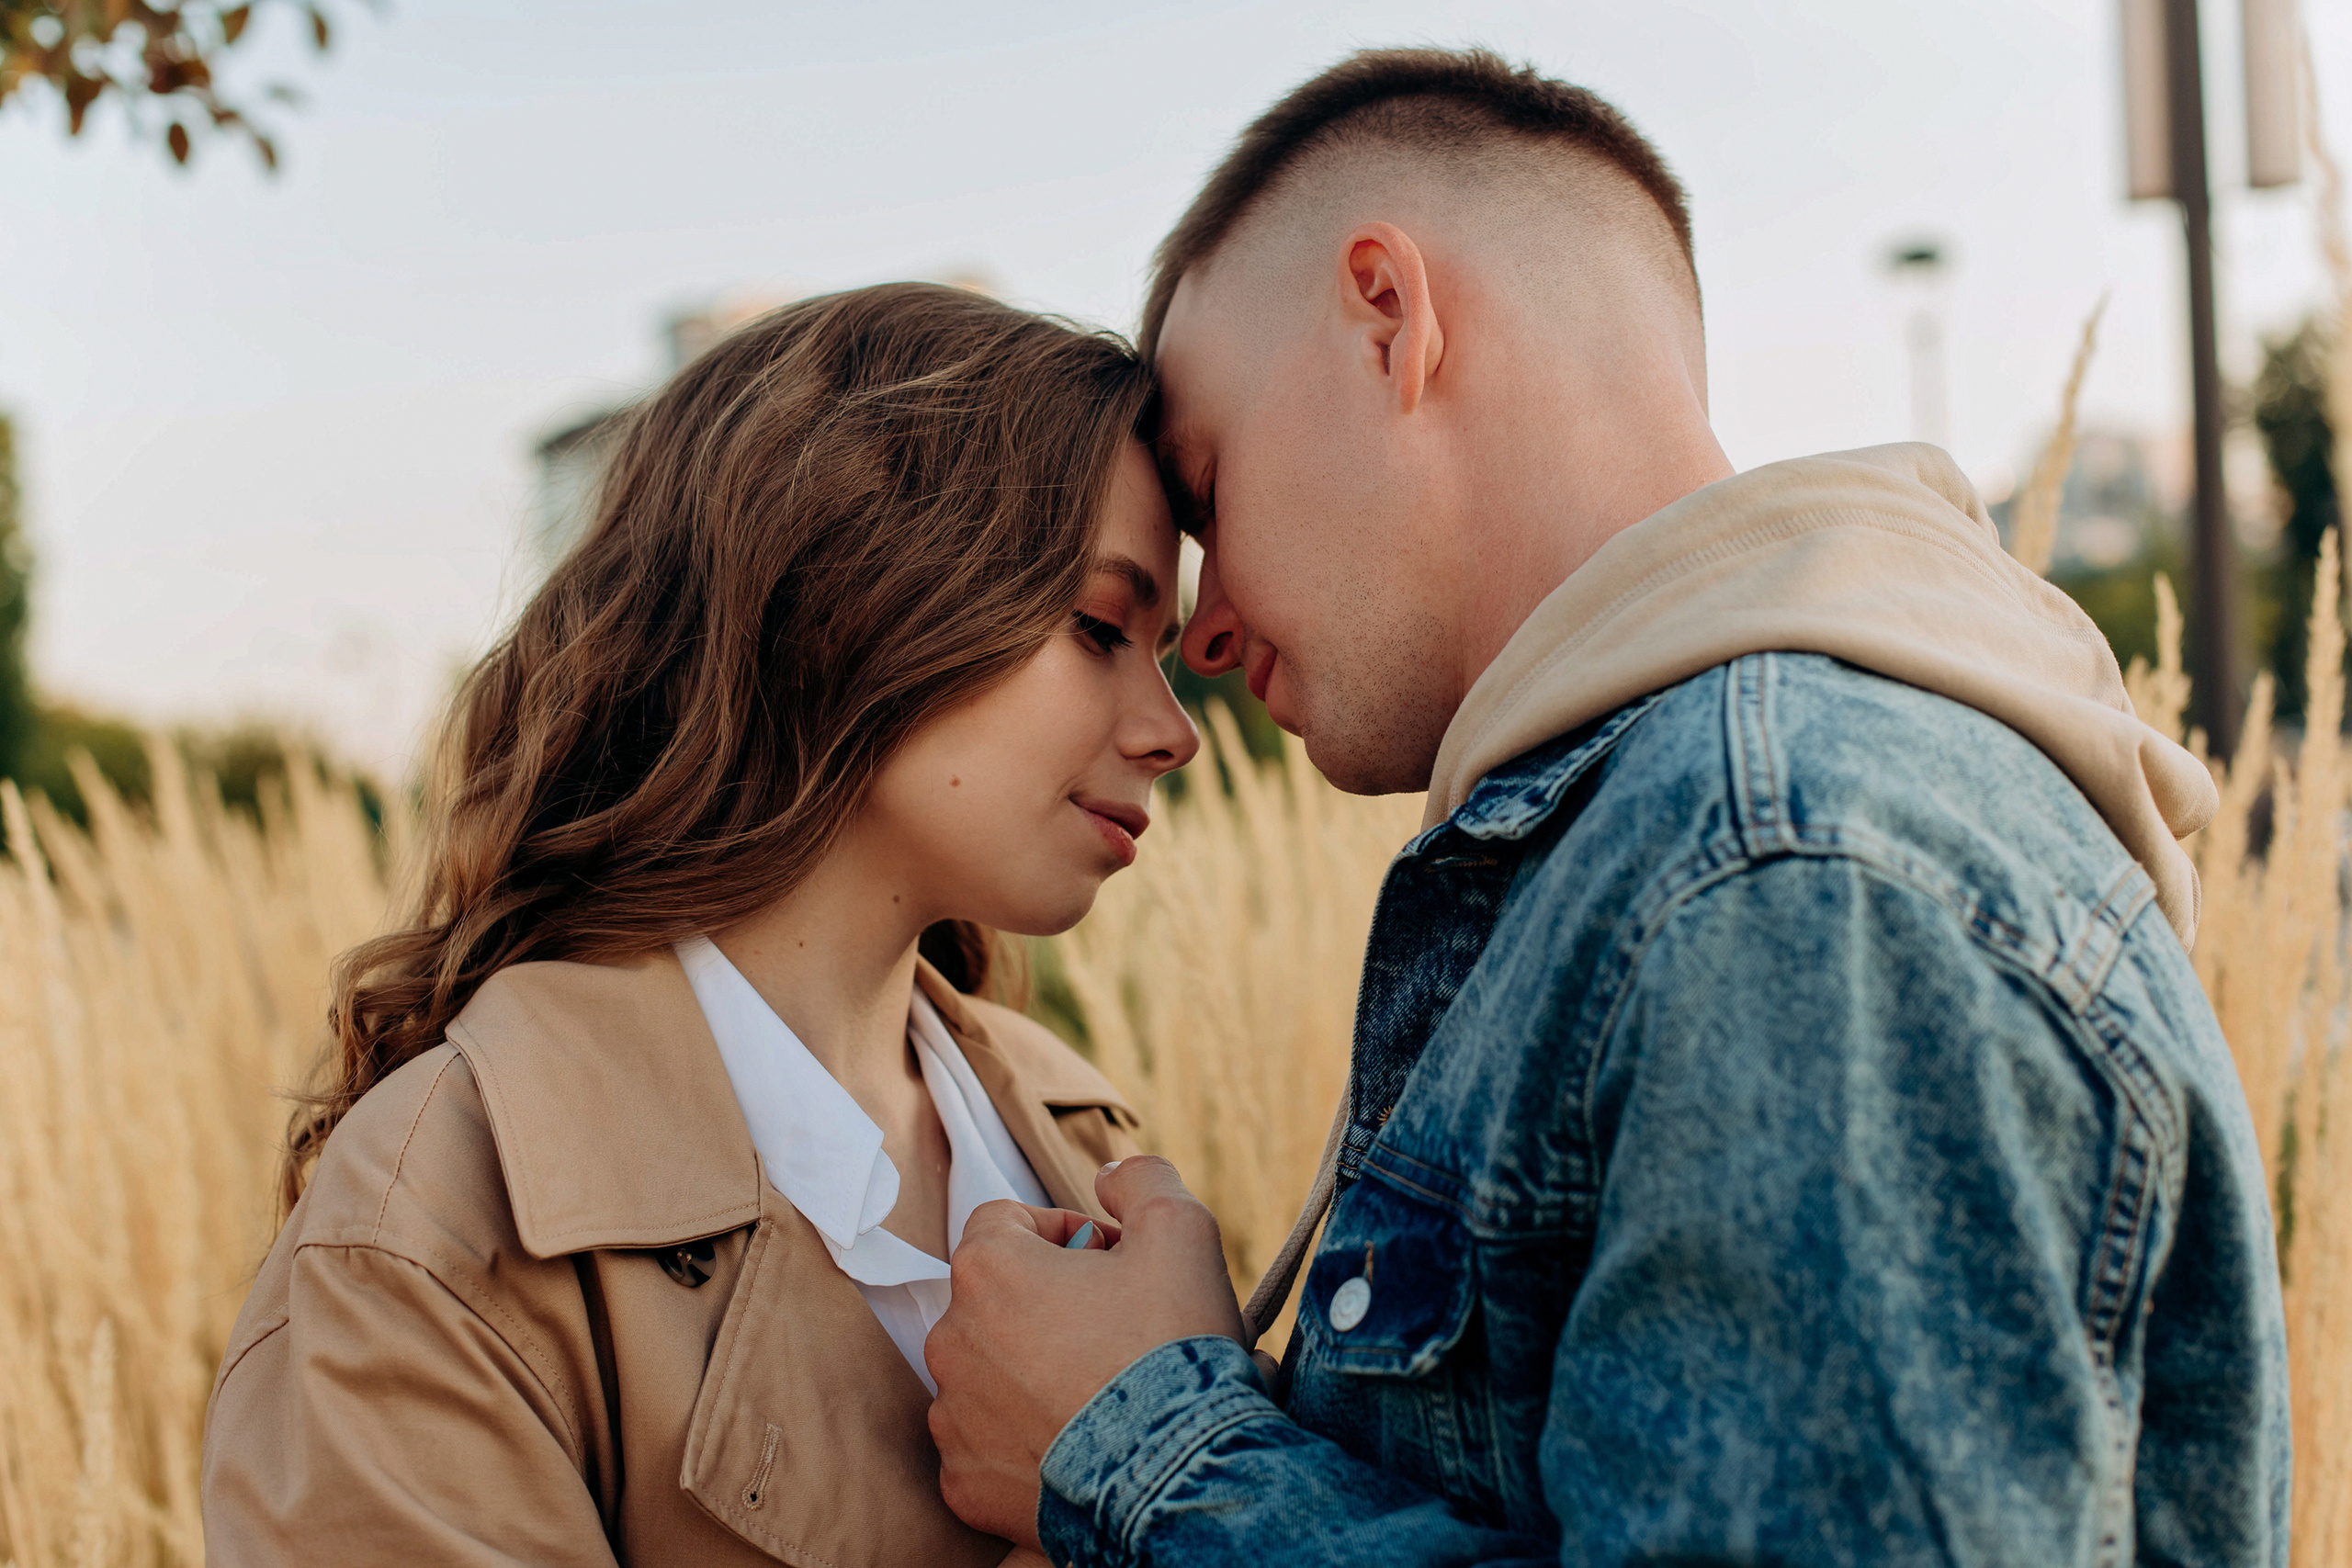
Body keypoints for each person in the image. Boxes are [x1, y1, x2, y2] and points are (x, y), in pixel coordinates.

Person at [924, 47, 2290, 1566]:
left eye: (1208, 488)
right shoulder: (1704, 844)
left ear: (1387, 317)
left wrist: (1134, 1437)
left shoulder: (1784, 868)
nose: (1208, 628)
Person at [199, 282, 1197, 1566]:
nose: (1169, 730)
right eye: (1101, 627)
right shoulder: (432, 1231)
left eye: (1165, 648)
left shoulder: (1081, 1136)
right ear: (851, 596)